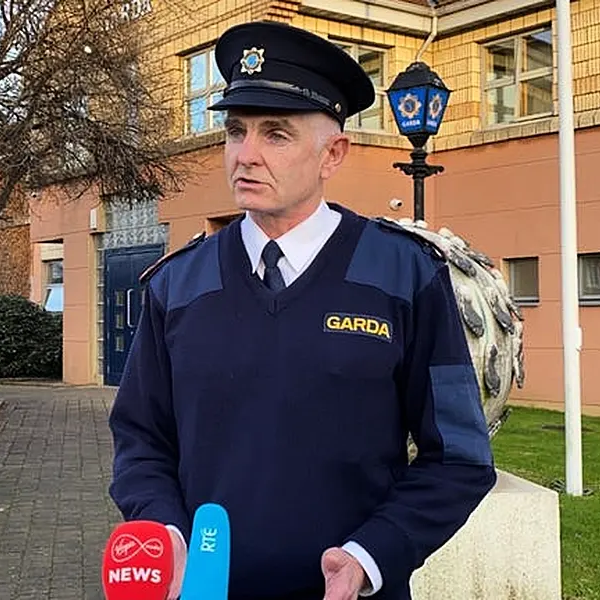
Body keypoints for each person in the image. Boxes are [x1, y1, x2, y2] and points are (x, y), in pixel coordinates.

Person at [107, 20, 496, 600]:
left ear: (332, 153)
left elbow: (459, 457)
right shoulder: (178, 284)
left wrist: (371, 554)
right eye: (236, 131)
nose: (246, 155)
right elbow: (141, 440)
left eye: (277, 134)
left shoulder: (403, 274)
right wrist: (166, 532)